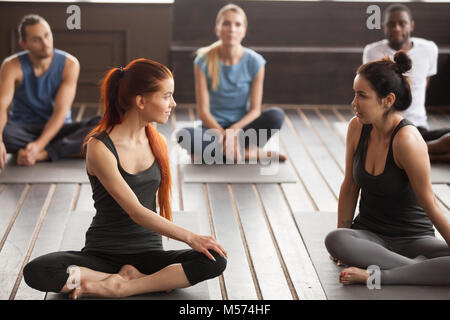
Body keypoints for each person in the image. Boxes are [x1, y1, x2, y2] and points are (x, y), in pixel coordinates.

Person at [22, 58, 227, 299]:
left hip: (149, 256)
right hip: (100, 257)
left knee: (214, 261)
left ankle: (127, 285)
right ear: (141, 101)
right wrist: (191, 237)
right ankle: (135, 281)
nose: (173, 103)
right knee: (40, 271)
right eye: (166, 96)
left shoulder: (157, 141)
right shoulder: (99, 147)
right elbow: (136, 211)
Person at [324, 51, 450, 286]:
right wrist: (343, 236)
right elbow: (350, 186)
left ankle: (383, 275)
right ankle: (421, 271)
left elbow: (429, 202)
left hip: (414, 239)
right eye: (354, 94)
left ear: (388, 100)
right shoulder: (357, 128)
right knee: (336, 239)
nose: (354, 104)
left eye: (362, 96)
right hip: (370, 237)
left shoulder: (407, 140)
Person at [176, 3, 286, 164]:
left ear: (244, 31)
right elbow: (203, 112)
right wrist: (223, 135)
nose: (232, 29)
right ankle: (249, 154)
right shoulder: (203, 61)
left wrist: (233, 132)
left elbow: (255, 110)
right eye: (226, 23)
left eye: (237, 24)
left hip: (242, 129)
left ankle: (213, 155)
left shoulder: (255, 62)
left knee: (276, 115)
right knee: (183, 135)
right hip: (213, 130)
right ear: (217, 28)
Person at [0, 14, 100, 169]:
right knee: (2, 132)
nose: (45, 43)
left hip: (58, 128)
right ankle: (65, 149)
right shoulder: (11, 66)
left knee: (102, 125)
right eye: (36, 39)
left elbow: (60, 113)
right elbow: (1, 104)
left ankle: (43, 154)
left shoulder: (70, 64)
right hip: (22, 129)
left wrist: (39, 147)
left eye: (47, 35)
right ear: (23, 44)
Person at [363, 3, 450, 162]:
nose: (396, 28)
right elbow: (370, 92)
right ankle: (410, 151)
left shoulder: (429, 49)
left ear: (411, 25)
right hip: (388, 129)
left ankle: (416, 153)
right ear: (384, 27)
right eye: (391, 24)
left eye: (402, 23)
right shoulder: (372, 52)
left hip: (418, 128)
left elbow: (424, 85)